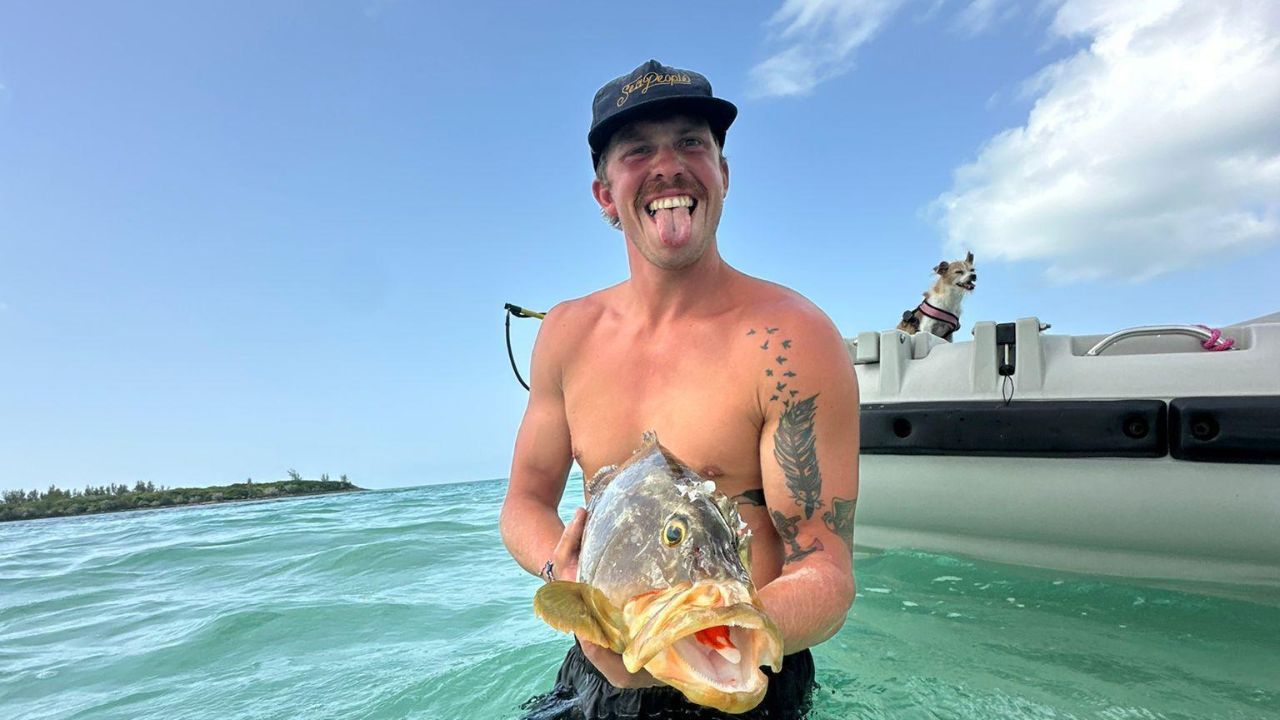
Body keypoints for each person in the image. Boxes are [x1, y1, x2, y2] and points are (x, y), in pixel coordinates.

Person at [503, 59, 860, 720]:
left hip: (742, 666)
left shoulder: (791, 339)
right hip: (598, 665)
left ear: (722, 173)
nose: (668, 166)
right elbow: (525, 502)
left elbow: (826, 568)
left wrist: (734, 628)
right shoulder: (566, 333)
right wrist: (568, 582)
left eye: (692, 143)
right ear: (605, 194)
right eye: (638, 151)